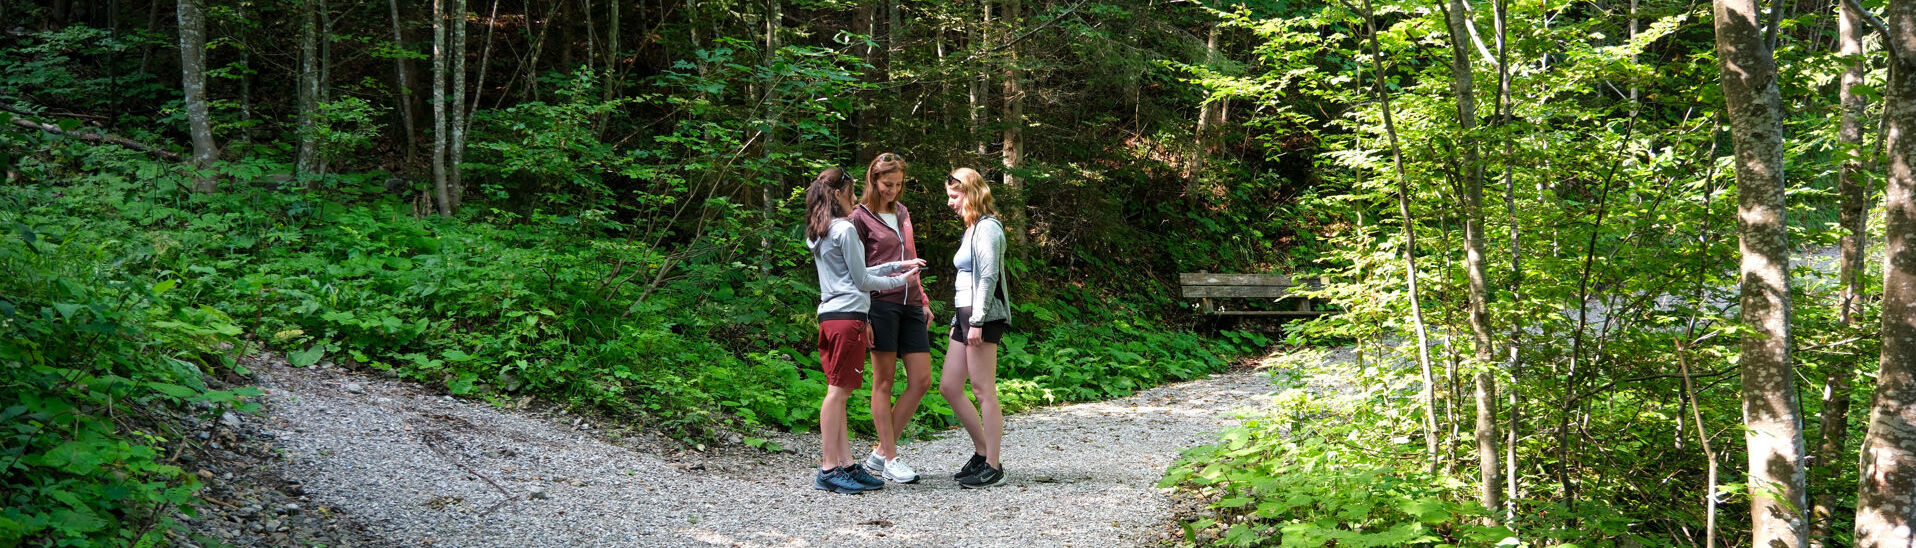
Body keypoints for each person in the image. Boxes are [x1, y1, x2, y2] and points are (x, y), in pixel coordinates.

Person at [804, 167, 926, 494]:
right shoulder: (844, 229)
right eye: (852, 191)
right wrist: (902, 280)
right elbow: (862, 281)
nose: (855, 198)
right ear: (839, 193)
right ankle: (829, 468)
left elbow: (856, 270)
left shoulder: (820, 230)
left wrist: (895, 266)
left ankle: (844, 464)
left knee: (838, 390)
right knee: (838, 393)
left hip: (831, 315)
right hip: (848, 317)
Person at [848, 153, 934, 484]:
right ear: (873, 179)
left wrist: (923, 299)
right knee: (883, 381)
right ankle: (891, 456)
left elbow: (910, 258)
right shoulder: (859, 217)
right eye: (887, 184)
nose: (893, 191)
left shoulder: (902, 212)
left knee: (922, 379)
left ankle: (881, 453)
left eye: (898, 184)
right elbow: (854, 271)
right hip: (879, 304)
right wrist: (863, 314)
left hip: (910, 301)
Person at [936, 167, 1011, 488]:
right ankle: (981, 452)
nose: (951, 203)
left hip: (983, 316)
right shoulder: (971, 229)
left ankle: (993, 464)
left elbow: (988, 277)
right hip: (963, 314)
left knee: (983, 390)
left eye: (955, 196)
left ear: (969, 193)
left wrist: (977, 321)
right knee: (950, 386)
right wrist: (960, 319)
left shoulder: (989, 228)